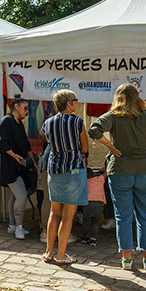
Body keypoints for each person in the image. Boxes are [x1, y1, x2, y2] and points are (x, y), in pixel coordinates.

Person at [89, 83, 146, 270]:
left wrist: (111, 147)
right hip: (145, 170)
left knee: (122, 216)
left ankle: (127, 259)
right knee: (145, 215)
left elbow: (94, 130)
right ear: (137, 97)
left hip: (120, 170)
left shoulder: (113, 116)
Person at [41, 90, 88, 265]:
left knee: (54, 212)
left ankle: (48, 252)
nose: (76, 103)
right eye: (74, 100)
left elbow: (48, 140)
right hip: (73, 170)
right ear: (68, 103)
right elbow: (84, 146)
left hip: (54, 169)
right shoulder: (77, 122)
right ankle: (61, 255)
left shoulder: (47, 122)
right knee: (68, 216)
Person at [0, 98, 34, 239]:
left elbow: (25, 144)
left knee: (14, 196)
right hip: (10, 166)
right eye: (24, 108)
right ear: (16, 107)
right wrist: (15, 156)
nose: (27, 111)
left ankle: (12, 225)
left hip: (20, 166)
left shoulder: (19, 124)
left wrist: (31, 158)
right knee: (21, 195)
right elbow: (2, 144)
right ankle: (18, 227)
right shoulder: (6, 121)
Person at [80, 168, 106, 246]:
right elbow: (107, 172)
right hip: (99, 203)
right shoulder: (100, 179)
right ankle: (93, 239)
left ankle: (84, 237)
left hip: (88, 203)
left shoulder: (84, 182)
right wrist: (100, 171)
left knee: (86, 220)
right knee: (96, 221)